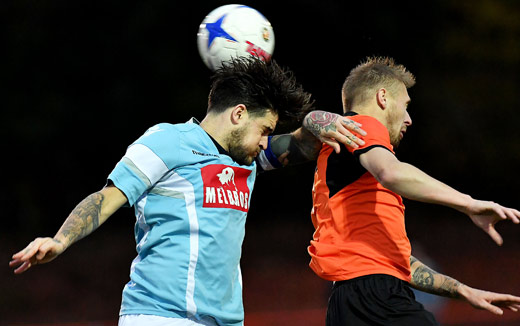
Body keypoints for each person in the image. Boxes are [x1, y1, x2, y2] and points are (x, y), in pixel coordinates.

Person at [9, 57, 365, 326]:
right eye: (264, 129)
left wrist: (324, 119)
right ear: (239, 114)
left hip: (224, 321)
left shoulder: (248, 159)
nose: (264, 140)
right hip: (159, 315)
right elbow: (106, 197)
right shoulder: (168, 141)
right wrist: (61, 239)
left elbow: (302, 144)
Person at [306, 56, 520, 325]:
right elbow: (392, 173)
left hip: (349, 301)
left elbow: (395, 261)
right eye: (405, 105)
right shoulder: (363, 125)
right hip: (375, 298)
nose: (408, 119)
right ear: (382, 97)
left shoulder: (350, 160)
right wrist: (468, 204)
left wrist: (462, 290)